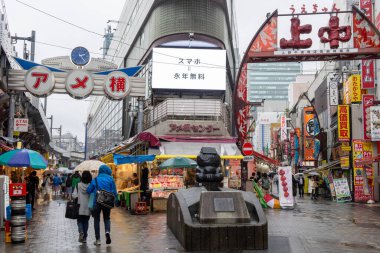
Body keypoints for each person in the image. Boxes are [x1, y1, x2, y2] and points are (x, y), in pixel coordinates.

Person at [87, 164, 117, 246]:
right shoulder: (111, 179)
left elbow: (88, 190)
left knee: (97, 220)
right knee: (107, 218)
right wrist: (116, 201)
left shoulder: (95, 179)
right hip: (107, 202)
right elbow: (114, 192)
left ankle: (98, 240)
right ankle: (107, 232)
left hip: (97, 202)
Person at [72, 171, 92, 244]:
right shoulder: (91, 185)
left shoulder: (78, 185)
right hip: (88, 207)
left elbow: (74, 195)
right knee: (86, 222)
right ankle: (85, 238)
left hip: (79, 206)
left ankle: (81, 232)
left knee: (79, 221)